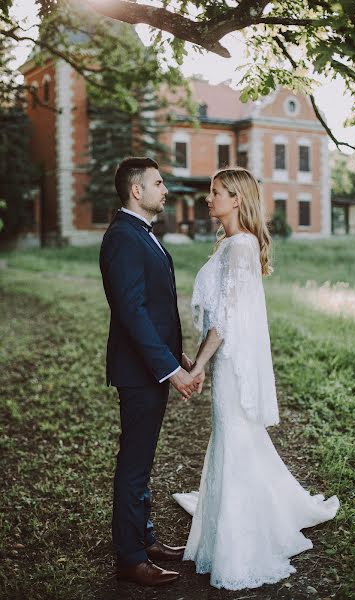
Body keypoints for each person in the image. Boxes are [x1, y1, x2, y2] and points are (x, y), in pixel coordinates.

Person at [173, 167, 340, 590]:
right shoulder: (231, 243)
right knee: (233, 435)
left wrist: (200, 364)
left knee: (233, 435)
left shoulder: (241, 246)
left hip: (230, 360)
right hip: (226, 358)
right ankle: (241, 515)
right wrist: (199, 359)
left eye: (216, 193)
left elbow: (225, 319)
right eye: (211, 192)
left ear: (236, 199)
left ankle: (241, 542)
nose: (209, 199)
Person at [99, 157, 204, 587]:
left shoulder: (143, 234)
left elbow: (155, 309)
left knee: (142, 461)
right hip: (139, 372)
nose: (166, 189)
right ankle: (130, 557)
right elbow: (132, 312)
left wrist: (175, 357)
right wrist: (168, 370)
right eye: (158, 183)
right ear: (136, 191)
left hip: (153, 365)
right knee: (134, 464)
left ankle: (146, 539)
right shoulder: (123, 238)